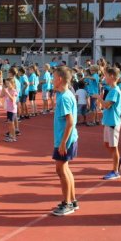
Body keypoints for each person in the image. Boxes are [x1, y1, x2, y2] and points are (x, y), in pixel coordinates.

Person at [51, 66, 79, 216]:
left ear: (60, 79)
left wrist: (63, 143)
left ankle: (67, 203)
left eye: (53, 77)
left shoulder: (64, 97)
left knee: (61, 170)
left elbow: (70, 122)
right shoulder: (64, 95)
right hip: (66, 138)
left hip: (65, 139)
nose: (52, 80)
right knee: (65, 169)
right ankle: (72, 200)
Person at [101, 67, 121, 180]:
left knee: (113, 147)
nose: (104, 77)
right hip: (108, 120)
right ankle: (118, 159)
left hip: (113, 122)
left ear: (111, 77)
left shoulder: (115, 90)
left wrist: (98, 98)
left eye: (105, 75)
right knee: (106, 144)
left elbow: (107, 105)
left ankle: (115, 171)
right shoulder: (111, 89)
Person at [2, 78, 18, 142]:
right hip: (8, 109)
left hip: (13, 110)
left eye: (8, 83)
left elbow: (13, 100)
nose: (7, 85)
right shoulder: (7, 89)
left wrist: (8, 93)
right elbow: (0, 95)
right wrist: (3, 89)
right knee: (9, 123)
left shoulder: (14, 91)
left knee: (12, 123)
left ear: (12, 84)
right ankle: (10, 135)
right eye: (6, 83)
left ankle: (14, 137)